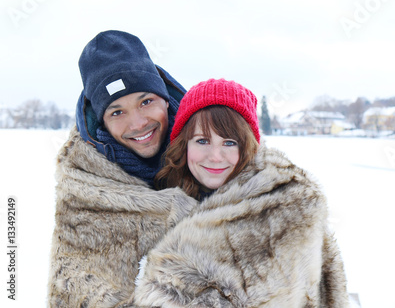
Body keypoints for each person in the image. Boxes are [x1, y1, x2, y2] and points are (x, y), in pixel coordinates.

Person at [131, 79, 350, 307]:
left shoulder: (285, 209)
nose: (215, 156)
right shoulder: (165, 202)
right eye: (202, 141)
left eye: (229, 143)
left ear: (247, 147)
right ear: (184, 146)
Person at [47, 30, 198, 307]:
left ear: (165, 98)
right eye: (117, 112)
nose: (138, 123)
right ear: (102, 122)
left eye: (146, 101)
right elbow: (77, 292)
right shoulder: (86, 192)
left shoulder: (213, 152)